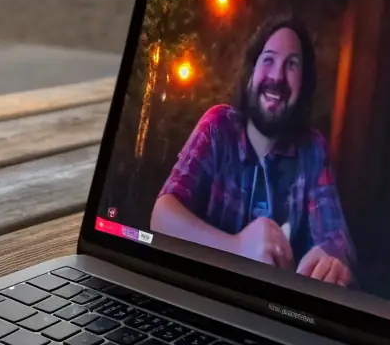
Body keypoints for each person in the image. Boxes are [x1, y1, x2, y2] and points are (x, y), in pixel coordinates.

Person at [150, 14, 356, 285]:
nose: (277, 76)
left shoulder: (312, 149)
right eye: (268, 59)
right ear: (251, 74)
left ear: (303, 86)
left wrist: (332, 261)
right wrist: (236, 247)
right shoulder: (217, 127)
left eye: (292, 65)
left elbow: (338, 242)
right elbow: (161, 215)